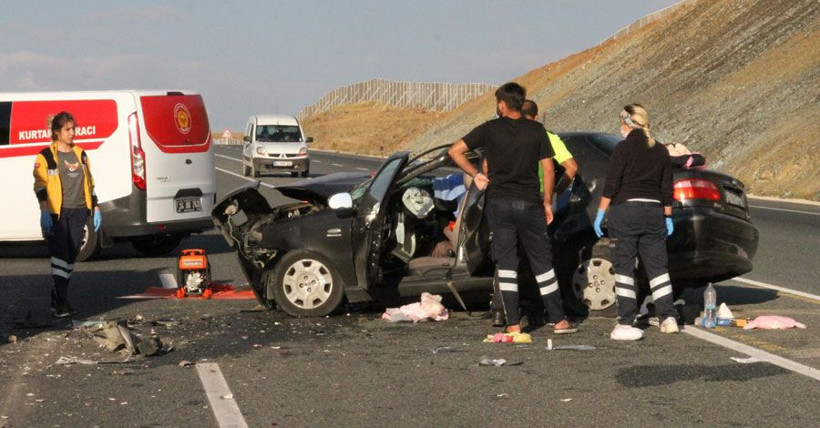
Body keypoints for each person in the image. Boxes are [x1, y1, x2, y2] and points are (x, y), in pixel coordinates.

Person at [448, 82, 576, 335]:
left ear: (502, 104)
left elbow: (455, 151)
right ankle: (559, 320)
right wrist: (548, 202)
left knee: (507, 262)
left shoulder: (489, 130)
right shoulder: (537, 131)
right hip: (529, 202)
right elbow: (549, 170)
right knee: (542, 261)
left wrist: (476, 175)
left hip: (499, 203)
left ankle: (514, 324)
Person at [488, 99, 580, 327]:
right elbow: (572, 167)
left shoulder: (503, 136)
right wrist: (556, 191)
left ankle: (502, 312)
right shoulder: (545, 136)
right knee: (538, 259)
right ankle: (542, 311)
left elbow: (488, 168)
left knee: (507, 258)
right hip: (535, 201)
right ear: (537, 117)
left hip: (504, 200)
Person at [593, 104, 679, 341]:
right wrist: (668, 216)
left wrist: (601, 213)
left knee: (625, 268)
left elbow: (612, 184)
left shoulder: (622, 149)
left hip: (625, 211)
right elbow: (666, 188)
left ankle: (626, 318)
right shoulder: (660, 150)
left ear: (627, 123)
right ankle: (668, 317)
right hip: (653, 212)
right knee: (658, 268)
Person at [33, 112, 101, 317]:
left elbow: (90, 183)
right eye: (68, 129)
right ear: (57, 132)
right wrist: (44, 209)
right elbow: (40, 184)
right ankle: (61, 301)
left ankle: (57, 296)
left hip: (79, 210)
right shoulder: (45, 156)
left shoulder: (81, 154)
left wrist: (95, 208)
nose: (73, 133)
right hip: (57, 212)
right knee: (60, 255)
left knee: (71, 256)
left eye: (74, 128)